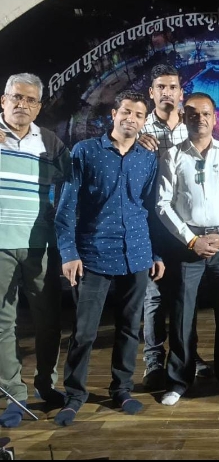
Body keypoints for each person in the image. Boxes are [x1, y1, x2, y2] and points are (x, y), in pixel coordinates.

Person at [53, 91, 164, 426]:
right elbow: (66, 207)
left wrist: (155, 252)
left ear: (144, 121)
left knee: (130, 328)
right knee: (84, 332)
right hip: (93, 254)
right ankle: (75, 395)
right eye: (126, 112)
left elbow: (150, 209)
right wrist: (69, 252)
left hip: (137, 254)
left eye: (139, 115)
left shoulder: (147, 158)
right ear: (114, 114)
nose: (131, 119)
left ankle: (122, 389)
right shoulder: (85, 152)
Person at [156, 92, 219, 406]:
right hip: (187, 245)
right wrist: (191, 239)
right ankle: (178, 381)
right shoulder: (172, 155)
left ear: (214, 117)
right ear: (184, 117)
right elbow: (163, 204)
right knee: (182, 316)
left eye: (206, 113)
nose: (200, 119)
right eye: (193, 114)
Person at [0, 73, 71, 428]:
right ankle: (13, 393)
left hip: (41, 245)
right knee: (3, 323)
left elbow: (76, 177)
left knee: (49, 320)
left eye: (30, 100)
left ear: (39, 107)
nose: (22, 105)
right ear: (3, 100)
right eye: (16, 97)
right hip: (0, 245)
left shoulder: (50, 141)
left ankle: (46, 384)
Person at [136, 64, 210, 391]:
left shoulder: (191, 127)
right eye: (161, 87)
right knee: (153, 296)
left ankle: (188, 355)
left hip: (185, 227)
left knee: (185, 296)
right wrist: (136, 140)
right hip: (151, 224)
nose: (167, 93)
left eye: (173, 87)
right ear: (151, 92)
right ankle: (153, 361)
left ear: (181, 93)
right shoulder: (140, 128)